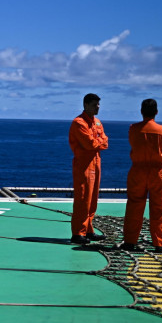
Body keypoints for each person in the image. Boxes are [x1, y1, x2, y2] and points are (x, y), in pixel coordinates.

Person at [121, 99, 162, 253]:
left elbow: (132, 143)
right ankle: (160, 243)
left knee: (134, 206)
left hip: (138, 171)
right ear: (156, 112)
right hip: (157, 171)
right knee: (159, 207)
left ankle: (130, 241)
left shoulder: (133, 129)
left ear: (141, 111)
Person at [69, 93, 109, 244]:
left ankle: (88, 229)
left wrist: (98, 141)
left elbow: (105, 142)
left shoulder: (97, 123)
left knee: (92, 200)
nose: (97, 107)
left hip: (95, 162)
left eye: (98, 104)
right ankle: (78, 233)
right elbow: (90, 144)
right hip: (84, 165)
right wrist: (99, 141)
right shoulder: (79, 123)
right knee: (83, 199)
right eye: (94, 105)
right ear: (85, 105)